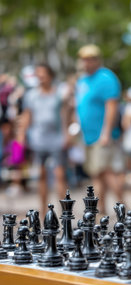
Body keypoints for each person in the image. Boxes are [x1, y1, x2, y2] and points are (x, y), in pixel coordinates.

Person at [75, 44, 125, 213]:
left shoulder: (106, 78)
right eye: (84, 60)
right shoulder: (82, 80)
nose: (86, 63)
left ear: (97, 60)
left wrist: (106, 132)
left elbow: (112, 107)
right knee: (96, 173)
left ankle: (123, 206)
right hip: (87, 135)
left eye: (89, 59)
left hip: (101, 135)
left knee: (106, 171)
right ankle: (100, 209)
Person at [20, 63, 68, 214]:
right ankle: (43, 211)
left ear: (50, 76)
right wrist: (21, 136)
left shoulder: (59, 93)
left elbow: (65, 115)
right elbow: (27, 116)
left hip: (56, 138)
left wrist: (67, 135)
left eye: (43, 74)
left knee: (59, 175)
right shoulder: (31, 95)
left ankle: (63, 213)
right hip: (38, 139)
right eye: (38, 74)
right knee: (41, 175)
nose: (40, 77)